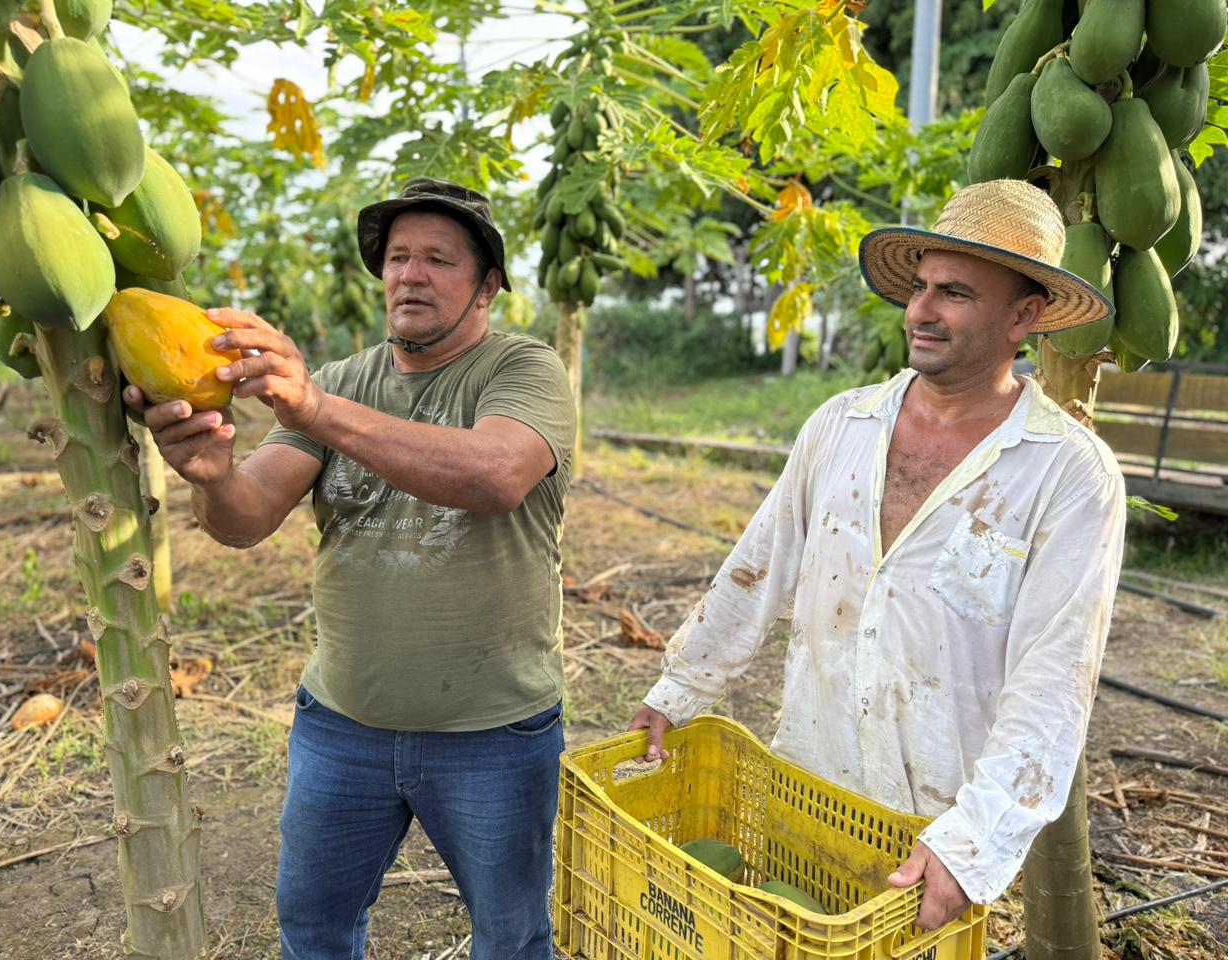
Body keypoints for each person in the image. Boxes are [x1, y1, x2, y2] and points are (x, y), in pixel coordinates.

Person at [628, 178, 1126, 931]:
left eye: (954, 293)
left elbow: (1054, 680)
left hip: (930, 835)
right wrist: (678, 689)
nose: (920, 311)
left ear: (1024, 316)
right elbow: (757, 568)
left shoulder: (1068, 473)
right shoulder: (842, 425)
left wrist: (972, 843)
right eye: (921, 287)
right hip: (807, 784)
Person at [125, 178, 576, 960]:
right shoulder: (341, 381)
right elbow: (247, 517)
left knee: (511, 937)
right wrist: (211, 474)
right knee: (314, 928)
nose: (410, 275)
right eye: (398, 257)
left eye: (439, 259)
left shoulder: (524, 370)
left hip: (492, 732)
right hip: (342, 725)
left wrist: (313, 409)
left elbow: (496, 474)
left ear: (487, 286)